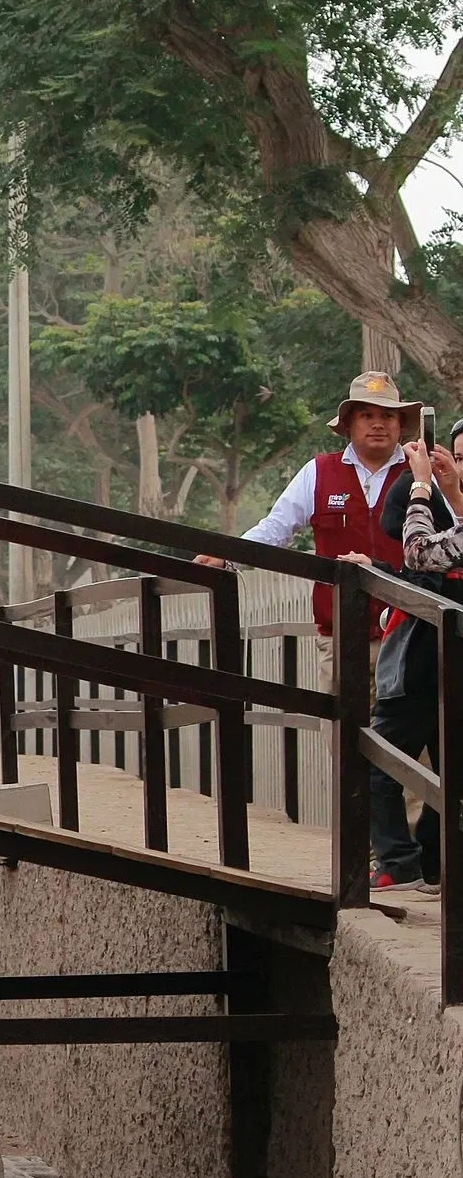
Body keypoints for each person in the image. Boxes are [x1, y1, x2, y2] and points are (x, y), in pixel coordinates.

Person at [195, 371, 419, 692]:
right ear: (348, 424)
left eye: (387, 415)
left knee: (409, 740)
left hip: (411, 634)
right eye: (366, 415)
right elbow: (276, 528)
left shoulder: (421, 471)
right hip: (341, 640)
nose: (378, 423)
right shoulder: (319, 471)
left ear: (400, 423)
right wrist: (227, 557)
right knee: (343, 738)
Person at [366, 423, 463, 892]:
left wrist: (422, 483)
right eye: (460, 457)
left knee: (375, 759)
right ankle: (433, 863)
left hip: (426, 659)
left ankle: (399, 862)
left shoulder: (419, 500)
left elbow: (421, 555)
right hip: (437, 660)